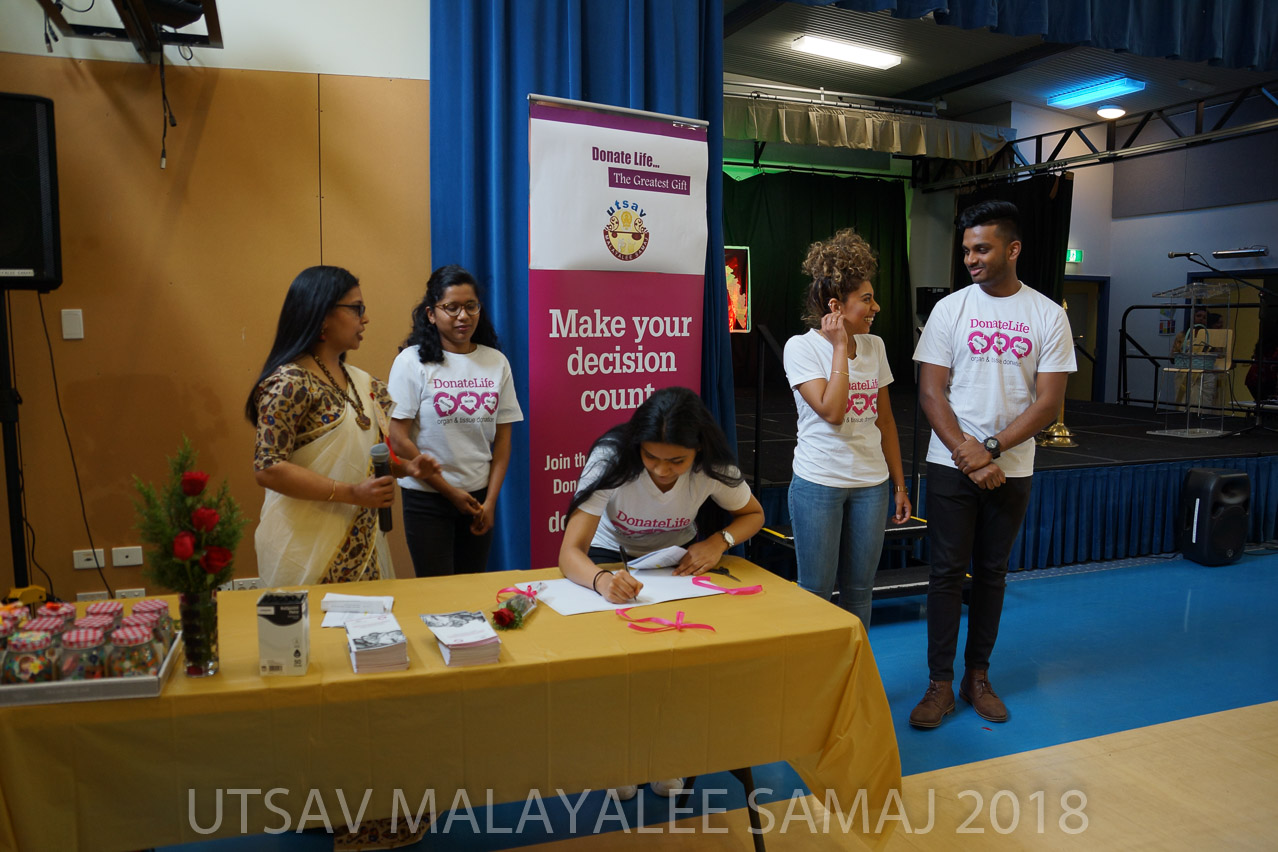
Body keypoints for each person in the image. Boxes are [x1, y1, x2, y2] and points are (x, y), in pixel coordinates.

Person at [909, 200, 1076, 729]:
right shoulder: (949, 309)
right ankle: (939, 684)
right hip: (951, 465)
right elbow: (931, 392)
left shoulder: (1047, 315)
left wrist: (992, 448)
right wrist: (969, 455)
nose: (971, 259)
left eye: (981, 249)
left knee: (992, 574)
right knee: (944, 574)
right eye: (966, 250)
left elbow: (1048, 403)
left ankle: (976, 677)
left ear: (1013, 249)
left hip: (1012, 467)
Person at [558, 385, 765, 799]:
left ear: (698, 451)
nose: (662, 470)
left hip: (675, 562)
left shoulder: (713, 465)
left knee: (677, 661)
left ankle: (667, 755)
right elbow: (570, 552)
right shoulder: (612, 458)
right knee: (619, 664)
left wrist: (718, 541)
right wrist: (602, 581)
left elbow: (752, 514)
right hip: (609, 557)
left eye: (676, 461)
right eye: (651, 457)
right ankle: (620, 758)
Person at [247, 266, 438, 588]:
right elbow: (268, 468)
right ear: (322, 315)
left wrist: (407, 468)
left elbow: (367, 460)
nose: (366, 319)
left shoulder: (365, 384)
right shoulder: (289, 383)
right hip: (303, 549)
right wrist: (352, 493)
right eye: (356, 309)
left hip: (362, 545)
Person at [783, 228, 911, 627]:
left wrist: (899, 485)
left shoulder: (875, 346)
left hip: (871, 486)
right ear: (836, 306)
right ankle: (815, 669)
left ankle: (855, 669)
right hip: (819, 483)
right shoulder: (801, 347)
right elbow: (833, 411)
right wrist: (840, 347)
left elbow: (884, 420)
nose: (876, 307)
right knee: (816, 592)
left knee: (859, 592)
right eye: (867, 299)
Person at [387, 265, 523, 576]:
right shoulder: (411, 361)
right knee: (438, 592)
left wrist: (490, 502)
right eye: (451, 307)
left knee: (471, 588)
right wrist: (450, 492)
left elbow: (503, 442)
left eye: (471, 306)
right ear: (431, 314)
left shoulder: (496, 361)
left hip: (478, 499)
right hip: (427, 499)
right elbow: (398, 438)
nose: (463, 316)